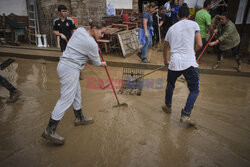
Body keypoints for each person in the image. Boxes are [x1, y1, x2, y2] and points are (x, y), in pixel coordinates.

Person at [41, 21, 107, 145]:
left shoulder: (81, 30)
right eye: (101, 32)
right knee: (66, 99)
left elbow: (77, 43)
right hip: (70, 69)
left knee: (77, 93)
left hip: (65, 65)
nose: (102, 36)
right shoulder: (92, 44)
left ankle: (79, 117)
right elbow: (97, 62)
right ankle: (49, 130)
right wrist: (103, 64)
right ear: (94, 28)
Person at [162, 3, 202, 124]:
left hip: (174, 62)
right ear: (189, 16)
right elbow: (200, 44)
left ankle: (168, 106)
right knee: (194, 90)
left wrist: (165, 61)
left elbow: (165, 47)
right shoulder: (194, 24)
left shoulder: (171, 28)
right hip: (190, 62)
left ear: (178, 16)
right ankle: (185, 115)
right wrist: (192, 53)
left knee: (170, 84)